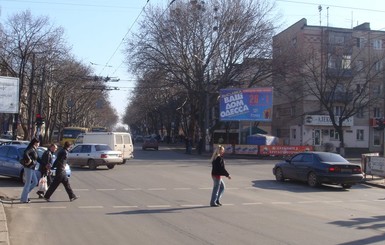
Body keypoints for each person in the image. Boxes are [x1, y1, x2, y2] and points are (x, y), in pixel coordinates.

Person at [20, 137, 40, 203]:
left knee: (35, 182)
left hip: (32, 168)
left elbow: (38, 158)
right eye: (38, 143)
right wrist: (29, 160)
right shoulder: (31, 148)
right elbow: (25, 153)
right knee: (28, 183)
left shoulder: (34, 149)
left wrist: (44, 164)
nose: (39, 144)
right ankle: (24, 199)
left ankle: (24, 195)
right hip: (28, 167)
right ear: (35, 143)